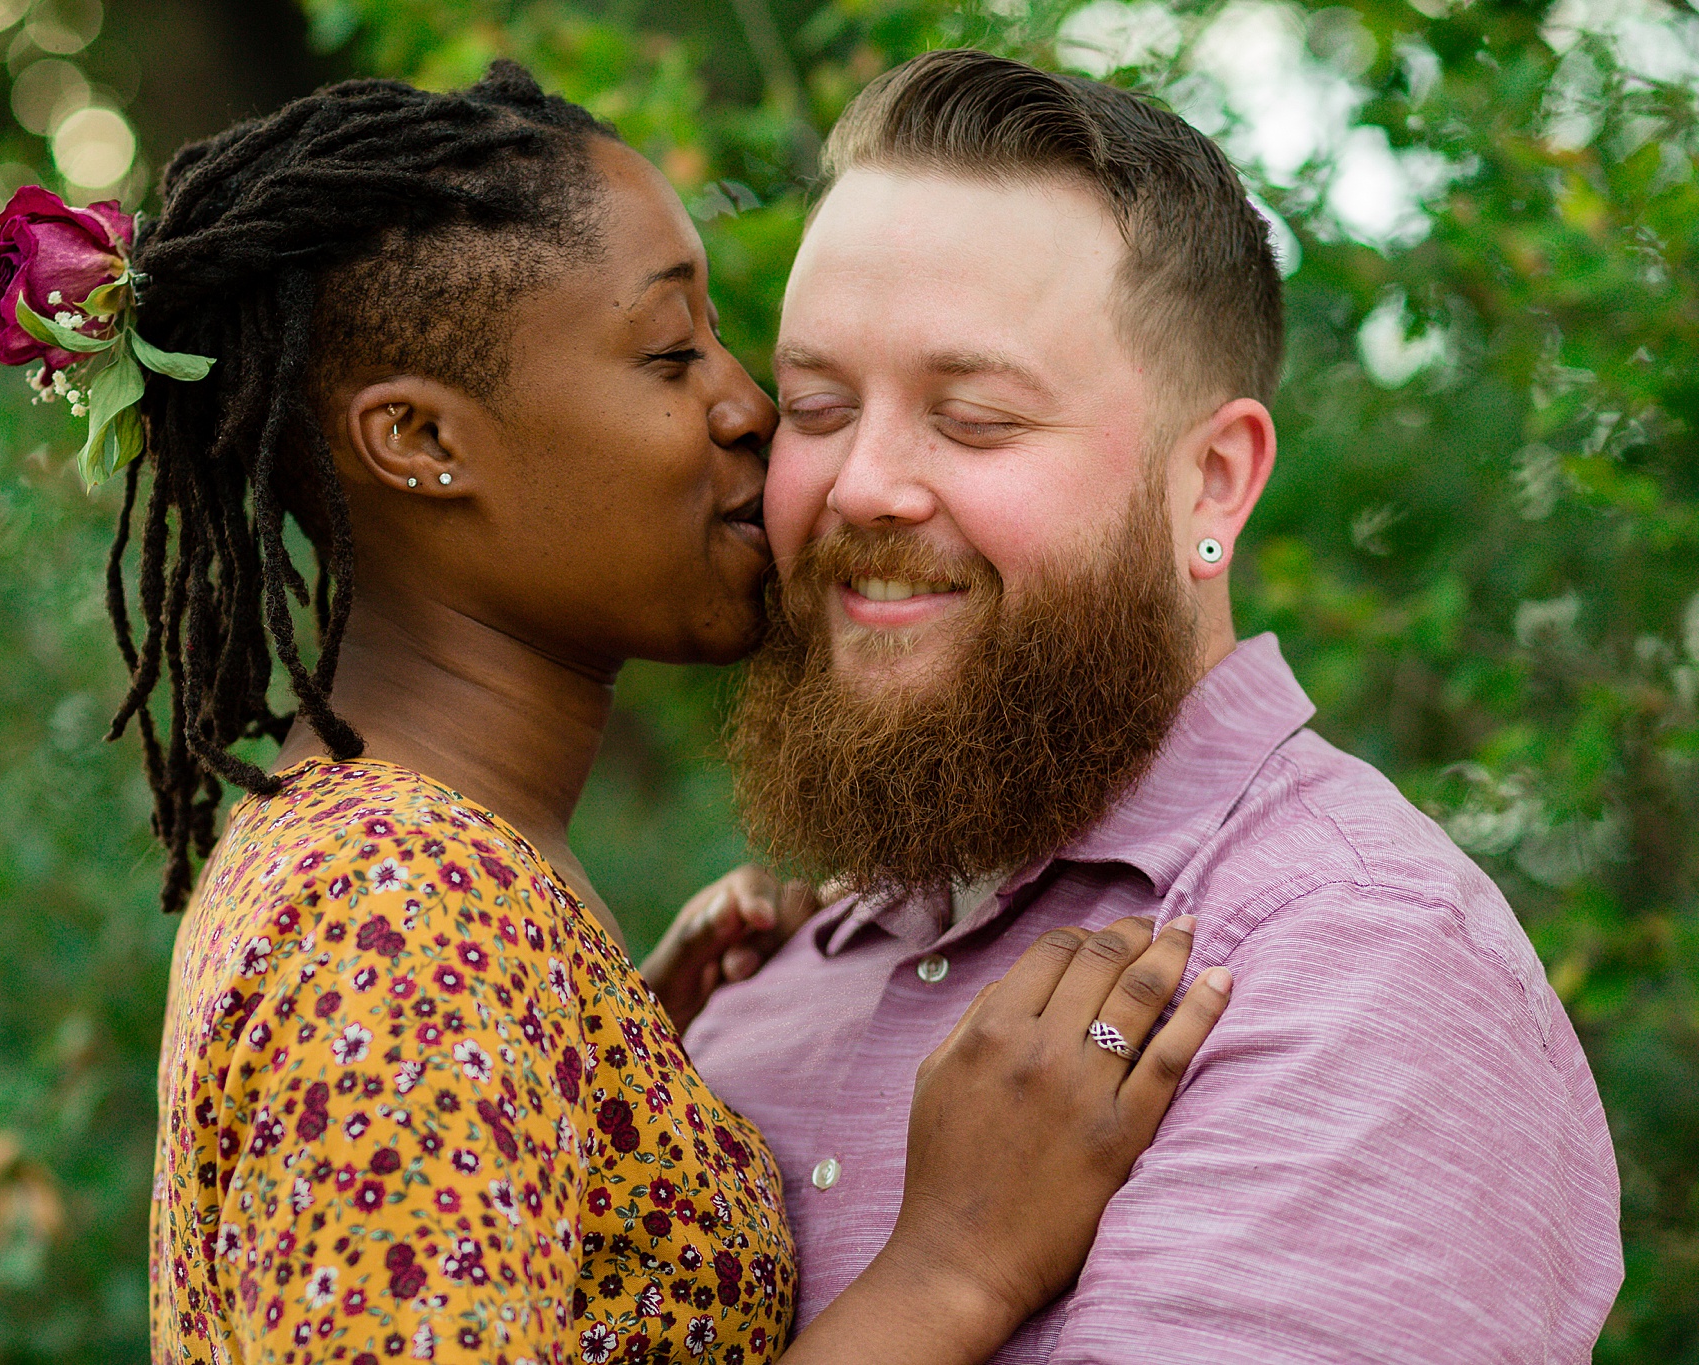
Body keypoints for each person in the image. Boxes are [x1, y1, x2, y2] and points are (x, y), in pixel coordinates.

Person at [0, 64, 1240, 1365]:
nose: (750, 409)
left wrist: (616, 1062)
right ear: (418, 438)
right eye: (671, 354)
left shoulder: (423, 896)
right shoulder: (405, 923)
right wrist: (955, 1262)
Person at [682, 50, 1625, 1364]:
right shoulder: (759, 984)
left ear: (1215, 484)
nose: (861, 486)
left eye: (974, 416)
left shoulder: (1350, 967)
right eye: (821, 406)